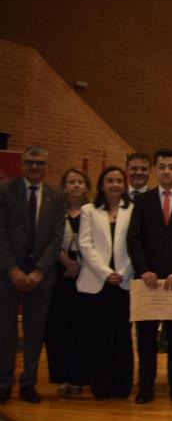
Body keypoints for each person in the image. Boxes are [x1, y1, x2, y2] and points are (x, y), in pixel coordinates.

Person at [127, 148, 172, 404]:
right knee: (146, 338)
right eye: (162, 166)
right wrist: (144, 270)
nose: (167, 171)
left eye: (171, 166)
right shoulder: (144, 201)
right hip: (148, 281)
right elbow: (134, 240)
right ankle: (145, 387)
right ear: (155, 170)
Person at [0, 146, 67, 404]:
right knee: (5, 331)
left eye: (40, 163)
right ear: (21, 165)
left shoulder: (56, 196)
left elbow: (56, 236)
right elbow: (1, 232)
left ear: (48, 167)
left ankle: (29, 382)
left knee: (34, 331)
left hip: (42, 276)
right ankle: (4, 382)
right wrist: (12, 269)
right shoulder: (5, 191)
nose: (35, 167)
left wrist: (40, 269)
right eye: (30, 163)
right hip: (8, 274)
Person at [77, 166, 134, 399]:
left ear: (125, 184)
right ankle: (101, 385)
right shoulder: (89, 210)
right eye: (109, 180)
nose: (114, 184)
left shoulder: (133, 210)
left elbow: (136, 244)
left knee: (122, 334)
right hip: (97, 281)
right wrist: (105, 272)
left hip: (124, 280)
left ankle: (122, 385)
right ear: (102, 184)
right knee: (99, 334)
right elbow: (85, 244)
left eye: (119, 180)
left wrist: (122, 271)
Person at [45, 167, 90, 398]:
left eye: (80, 182)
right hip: (60, 273)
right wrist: (67, 262)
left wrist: (80, 265)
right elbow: (49, 240)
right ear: (64, 186)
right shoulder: (55, 211)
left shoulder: (92, 212)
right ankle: (62, 377)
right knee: (59, 327)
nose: (75, 185)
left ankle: (79, 377)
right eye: (71, 181)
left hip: (86, 273)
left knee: (81, 328)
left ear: (86, 187)